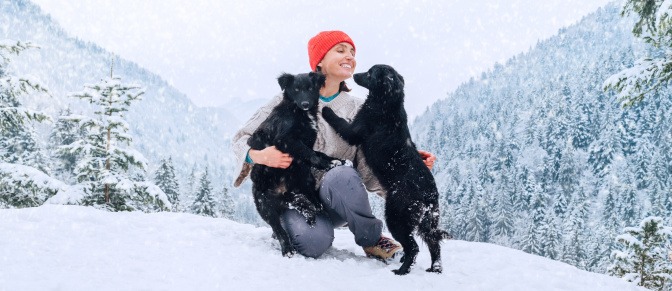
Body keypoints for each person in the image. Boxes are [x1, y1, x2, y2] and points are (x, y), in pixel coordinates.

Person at [232, 30, 437, 259]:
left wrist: (406, 167)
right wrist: (257, 156)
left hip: (337, 198)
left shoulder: (359, 109)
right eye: (340, 50)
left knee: (342, 174)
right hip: (296, 198)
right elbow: (241, 138)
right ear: (319, 61)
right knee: (312, 243)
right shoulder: (286, 99)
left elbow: (370, 163)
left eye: (352, 52)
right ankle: (294, 226)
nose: (349, 56)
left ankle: (372, 240)